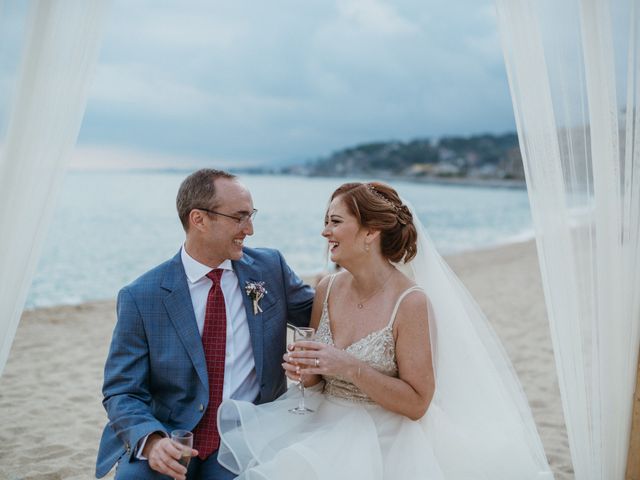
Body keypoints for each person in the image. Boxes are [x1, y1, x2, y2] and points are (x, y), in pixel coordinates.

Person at [216, 182, 554, 479]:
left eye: (335, 222)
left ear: (370, 232)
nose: (324, 232)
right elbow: (317, 378)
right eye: (325, 222)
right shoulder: (327, 288)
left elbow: (418, 402)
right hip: (322, 423)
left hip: (389, 438)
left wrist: (347, 366)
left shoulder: (411, 303)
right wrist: (305, 373)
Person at [95, 169, 314, 480]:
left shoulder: (269, 269)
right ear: (198, 219)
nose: (249, 229)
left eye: (251, 216)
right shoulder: (140, 296)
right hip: (168, 430)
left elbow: (326, 313)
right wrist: (153, 441)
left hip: (246, 431)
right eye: (239, 217)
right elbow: (122, 390)